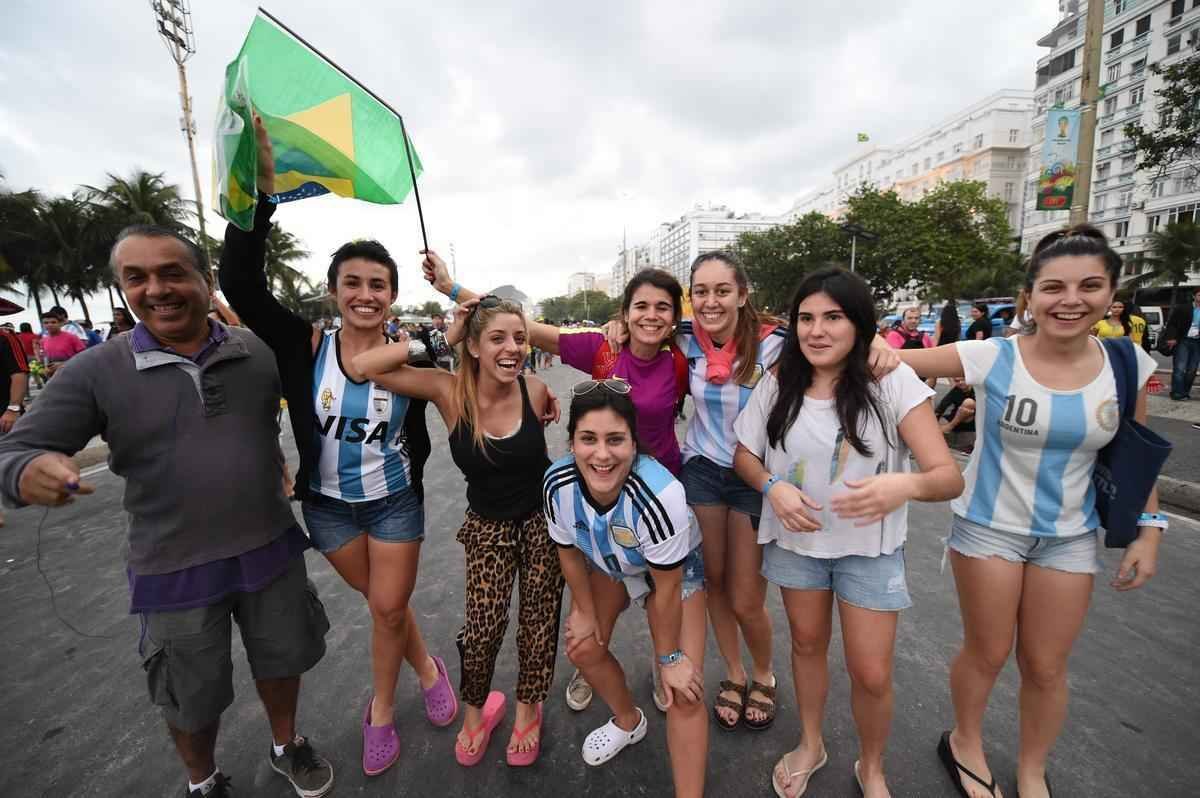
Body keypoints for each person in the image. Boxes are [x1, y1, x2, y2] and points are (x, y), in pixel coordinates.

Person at [0, 223, 334, 798]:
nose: (156, 289)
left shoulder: (253, 351)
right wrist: (24, 472)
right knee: (190, 692)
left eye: (172, 272)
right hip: (173, 567)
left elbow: (277, 416)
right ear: (123, 288)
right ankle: (202, 782)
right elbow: (15, 450)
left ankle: (287, 746)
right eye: (137, 278)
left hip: (272, 549)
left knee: (283, 662)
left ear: (206, 282)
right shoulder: (96, 370)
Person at [875, 225, 1164, 798]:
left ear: (1112, 293)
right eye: (1053, 287)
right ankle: (965, 741)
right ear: (1030, 296)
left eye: (1090, 286)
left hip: (1071, 536)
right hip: (988, 528)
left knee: (1047, 666)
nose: (1071, 300)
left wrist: (1148, 531)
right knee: (988, 652)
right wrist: (845, 338)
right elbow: (895, 361)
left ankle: (1033, 768)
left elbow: (1135, 455)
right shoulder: (993, 355)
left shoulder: (1127, 362)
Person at [218, 116, 451, 779]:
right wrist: (262, 195)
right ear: (334, 291)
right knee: (388, 607)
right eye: (353, 283)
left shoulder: (415, 350)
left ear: (393, 295)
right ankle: (428, 666)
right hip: (329, 511)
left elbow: (473, 350)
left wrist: (449, 299)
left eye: (378, 285)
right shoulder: (305, 345)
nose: (366, 294)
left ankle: (380, 710)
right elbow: (240, 285)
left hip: (395, 505)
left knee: (386, 607)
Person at [733, 267, 962, 798]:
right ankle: (811, 743)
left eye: (833, 317)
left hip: (870, 551)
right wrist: (772, 488)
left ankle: (873, 766)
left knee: (872, 672)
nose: (817, 331)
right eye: (806, 318)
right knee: (807, 646)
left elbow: (946, 476)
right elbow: (744, 454)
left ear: (859, 324)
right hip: (797, 545)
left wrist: (901, 487)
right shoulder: (778, 382)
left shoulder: (891, 381)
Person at [355, 296, 562, 768]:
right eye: (497, 338)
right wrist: (442, 336)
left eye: (519, 338)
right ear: (471, 346)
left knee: (538, 625)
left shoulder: (534, 388)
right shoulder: (448, 392)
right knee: (482, 631)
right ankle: (477, 713)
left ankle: (529, 708)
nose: (513, 348)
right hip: (486, 529)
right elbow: (365, 365)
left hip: (542, 525)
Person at [548, 382, 708, 795]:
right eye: (588, 439)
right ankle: (627, 721)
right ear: (571, 443)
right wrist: (583, 609)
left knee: (684, 690)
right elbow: (567, 551)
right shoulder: (556, 484)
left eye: (615, 440)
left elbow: (667, 588)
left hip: (672, 571)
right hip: (613, 562)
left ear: (634, 443)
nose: (602, 455)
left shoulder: (661, 495)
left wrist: (670, 656)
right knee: (583, 646)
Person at [676, 252, 788, 732]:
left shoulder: (778, 344)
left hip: (752, 472)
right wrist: (456, 292)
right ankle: (736, 673)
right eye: (701, 291)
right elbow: (576, 340)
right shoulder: (684, 339)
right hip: (701, 469)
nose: (710, 301)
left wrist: (880, 349)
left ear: (743, 294)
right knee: (713, 584)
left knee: (746, 596)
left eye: (722, 290)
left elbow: (841, 343)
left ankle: (765, 672)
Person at [1161, 287, 1200, 400]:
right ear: (1194, 296)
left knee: (1192, 370)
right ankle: (1177, 393)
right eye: (1199, 295)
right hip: (1183, 340)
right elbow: (1172, 323)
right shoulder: (1184, 308)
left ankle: (1185, 392)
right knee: (1180, 367)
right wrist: (1171, 337)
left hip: (1197, 342)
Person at [38, 311, 86, 379]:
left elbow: (84, 357)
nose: (50, 325)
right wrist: (44, 369)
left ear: (60, 323)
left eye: (53, 322)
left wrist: (63, 364)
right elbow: (45, 357)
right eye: (46, 323)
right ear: (42, 325)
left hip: (73, 374)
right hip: (54, 377)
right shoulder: (43, 340)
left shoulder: (72, 337)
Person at [936, 377, 977, 452]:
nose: (960, 382)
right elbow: (942, 406)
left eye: (963, 380)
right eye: (957, 381)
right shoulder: (956, 390)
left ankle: (949, 427)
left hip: (971, 420)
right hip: (955, 417)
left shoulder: (977, 390)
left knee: (968, 403)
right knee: (937, 420)